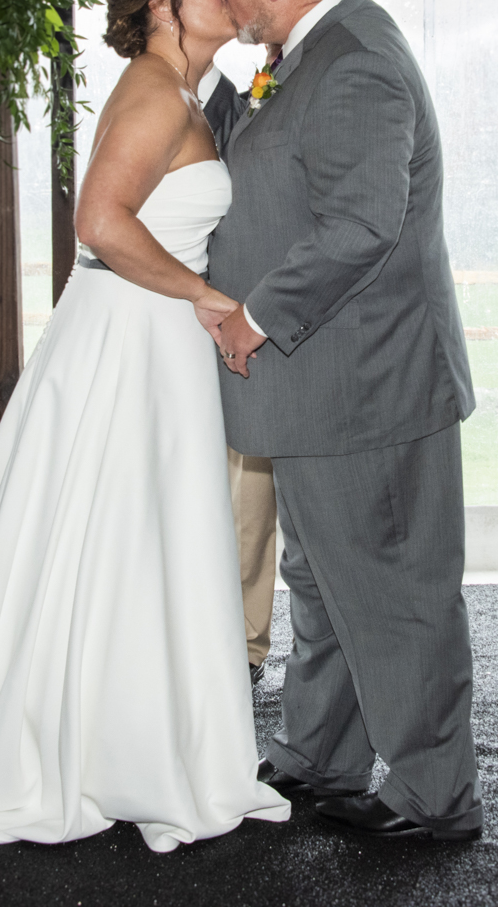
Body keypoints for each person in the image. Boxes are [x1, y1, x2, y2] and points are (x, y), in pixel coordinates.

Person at [0, 0, 290, 852]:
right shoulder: (149, 89)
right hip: (129, 335)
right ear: (162, 5)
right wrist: (207, 295)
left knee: (139, 542)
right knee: (116, 533)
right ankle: (104, 748)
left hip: (152, 336)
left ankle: (131, 735)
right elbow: (99, 221)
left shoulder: (181, 94)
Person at [210, 0, 484, 841]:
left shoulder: (357, 58)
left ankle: (434, 796)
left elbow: (364, 223)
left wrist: (254, 314)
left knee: (397, 593)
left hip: (369, 384)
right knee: (323, 580)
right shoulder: (303, 56)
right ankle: (322, 754)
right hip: (323, 387)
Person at [201, 65, 278, 685]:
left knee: (249, 491)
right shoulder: (149, 92)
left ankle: (244, 646)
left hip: (240, 314)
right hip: (171, 308)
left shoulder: (252, 89)